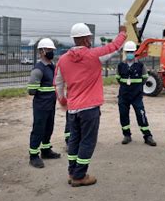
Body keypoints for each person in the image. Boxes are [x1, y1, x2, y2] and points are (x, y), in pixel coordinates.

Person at [54, 23, 126, 187]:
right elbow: (114, 47)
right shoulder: (94, 55)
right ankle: (79, 176)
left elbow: (57, 82)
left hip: (73, 109)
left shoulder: (63, 60)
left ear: (74, 38)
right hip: (90, 109)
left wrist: (63, 101)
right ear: (87, 38)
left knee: (74, 140)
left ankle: (72, 172)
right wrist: (122, 33)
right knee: (87, 142)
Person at [27, 38, 62, 169]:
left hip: (50, 105)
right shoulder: (38, 70)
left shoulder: (52, 67)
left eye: (52, 50)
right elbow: (31, 90)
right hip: (41, 106)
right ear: (41, 52)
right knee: (38, 129)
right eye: (48, 50)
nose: (51, 52)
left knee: (49, 128)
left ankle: (46, 150)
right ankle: (34, 155)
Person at [117, 40, 156, 146]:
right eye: (128, 52)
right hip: (124, 95)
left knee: (141, 114)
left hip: (136, 95)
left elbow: (144, 78)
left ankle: (147, 136)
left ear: (135, 52)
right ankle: (127, 135)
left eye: (132, 52)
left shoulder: (140, 65)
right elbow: (118, 78)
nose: (130, 54)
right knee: (123, 115)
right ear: (125, 52)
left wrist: (136, 87)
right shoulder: (120, 66)